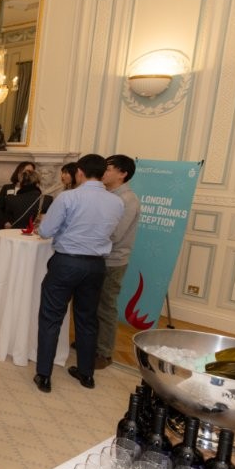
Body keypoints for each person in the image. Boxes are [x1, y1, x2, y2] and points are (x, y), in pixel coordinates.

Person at [33, 154, 124, 394]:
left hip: (67, 262)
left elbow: (46, 231)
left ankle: (44, 375)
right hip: (96, 266)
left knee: (51, 317)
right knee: (87, 319)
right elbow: (112, 233)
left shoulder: (68, 197)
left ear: (80, 172)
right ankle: (86, 374)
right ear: (102, 174)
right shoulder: (116, 202)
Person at [95, 154, 140, 370]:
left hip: (113, 261)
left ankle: (104, 353)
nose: (103, 172)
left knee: (106, 307)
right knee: (93, 304)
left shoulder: (128, 200)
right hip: (97, 256)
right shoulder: (106, 195)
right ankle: (93, 343)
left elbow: (115, 235)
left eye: (109, 169)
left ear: (123, 174)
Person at [0, 161, 37, 228]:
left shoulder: (35, 191)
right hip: (8, 225)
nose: (28, 174)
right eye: (26, 171)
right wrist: (4, 222)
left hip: (25, 227)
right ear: (19, 172)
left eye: (31, 172)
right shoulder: (6, 188)